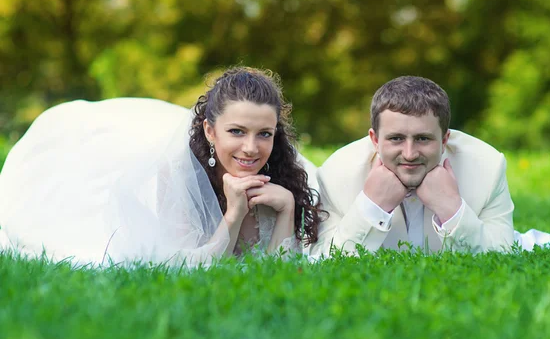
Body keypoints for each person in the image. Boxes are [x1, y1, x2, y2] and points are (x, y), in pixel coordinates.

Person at [0, 67, 324, 267]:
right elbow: (185, 268)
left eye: (264, 134)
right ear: (210, 131)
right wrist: (234, 215)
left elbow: (281, 272)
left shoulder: (285, 176)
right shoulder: (179, 175)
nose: (251, 148)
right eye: (236, 131)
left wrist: (286, 210)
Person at [307, 76, 550, 257]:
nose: (409, 154)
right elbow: (324, 262)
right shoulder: (335, 175)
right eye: (396, 138)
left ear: (445, 139)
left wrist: (452, 210)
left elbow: (501, 255)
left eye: (423, 139)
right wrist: (371, 207)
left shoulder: (488, 167)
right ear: (375, 139)